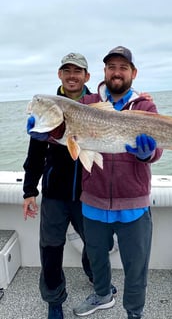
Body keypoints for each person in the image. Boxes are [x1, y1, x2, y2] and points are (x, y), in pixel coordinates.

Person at [72, 46, 163, 319]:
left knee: (136, 266)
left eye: (123, 67)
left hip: (133, 203)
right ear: (104, 72)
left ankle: (134, 312)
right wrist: (44, 131)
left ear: (133, 73)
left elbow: (158, 149)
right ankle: (102, 295)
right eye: (112, 67)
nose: (117, 72)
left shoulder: (145, 106)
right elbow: (66, 131)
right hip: (93, 201)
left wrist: (148, 153)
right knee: (96, 258)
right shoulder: (87, 104)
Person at [23, 53, 95, 319]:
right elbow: (34, 156)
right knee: (51, 249)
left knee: (95, 244)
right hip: (54, 194)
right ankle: (54, 298)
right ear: (60, 75)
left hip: (90, 193)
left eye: (78, 71)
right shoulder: (48, 109)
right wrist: (29, 190)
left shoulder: (97, 105)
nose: (72, 75)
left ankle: (94, 278)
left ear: (87, 76)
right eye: (67, 71)